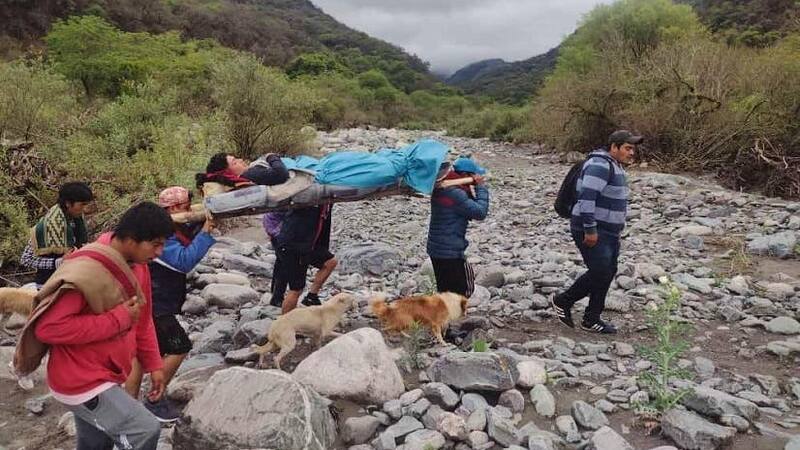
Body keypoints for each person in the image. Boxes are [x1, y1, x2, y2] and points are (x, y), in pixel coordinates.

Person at [14, 201, 173, 450]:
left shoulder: (137, 266)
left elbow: (142, 319)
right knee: (144, 430)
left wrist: (154, 365)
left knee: (95, 444)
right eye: (155, 244)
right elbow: (49, 328)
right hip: (81, 381)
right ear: (131, 240)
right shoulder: (87, 272)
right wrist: (118, 319)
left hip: (105, 372)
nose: (160, 252)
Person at [137, 187, 216, 422]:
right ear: (173, 209)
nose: (189, 210)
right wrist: (206, 232)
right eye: (185, 206)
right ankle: (154, 400)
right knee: (178, 346)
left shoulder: (173, 228)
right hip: (156, 305)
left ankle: (133, 403)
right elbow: (183, 261)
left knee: (144, 355)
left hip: (156, 303)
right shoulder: (159, 236)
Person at [550, 130, 639, 334]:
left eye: (633, 148)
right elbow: (587, 198)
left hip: (608, 230)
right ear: (613, 147)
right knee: (601, 271)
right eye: (627, 148)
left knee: (608, 271)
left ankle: (591, 318)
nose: (631, 152)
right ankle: (563, 301)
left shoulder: (614, 165)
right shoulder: (599, 165)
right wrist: (590, 229)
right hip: (592, 229)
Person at [426, 156, 490, 297]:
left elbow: (467, 207)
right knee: (463, 291)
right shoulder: (455, 193)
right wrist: (481, 188)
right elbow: (479, 212)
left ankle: (446, 318)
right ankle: (457, 317)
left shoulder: (441, 187)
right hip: (451, 251)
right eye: (473, 175)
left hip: (436, 249)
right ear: (466, 175)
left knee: (445, 293)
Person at [20, 182, 94, 287]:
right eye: (82, 204)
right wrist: (57, 262)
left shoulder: (76, 220)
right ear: (68, 203)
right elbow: (26, 259)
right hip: (47, 285)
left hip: (72, 280)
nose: (85, 209)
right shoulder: (46, 226)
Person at [272, 204, 337, 313]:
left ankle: (311, 297)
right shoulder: (307, 201)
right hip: (293, 246)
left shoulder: (325, 203)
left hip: (309, 245)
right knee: (296, 289)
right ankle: (284, 323)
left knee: (330, 262)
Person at [195, 152, 290, 196]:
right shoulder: (250, 175)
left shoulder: (249, 173)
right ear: (228, 173)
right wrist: (271, 156)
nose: (241, 160)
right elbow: (281, 173)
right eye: (235, 162)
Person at [263, 211, 288, 307]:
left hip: (275, 227)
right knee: (285, 265)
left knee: (281, 263)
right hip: (278, 229)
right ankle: (277, 297)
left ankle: (275, 293)